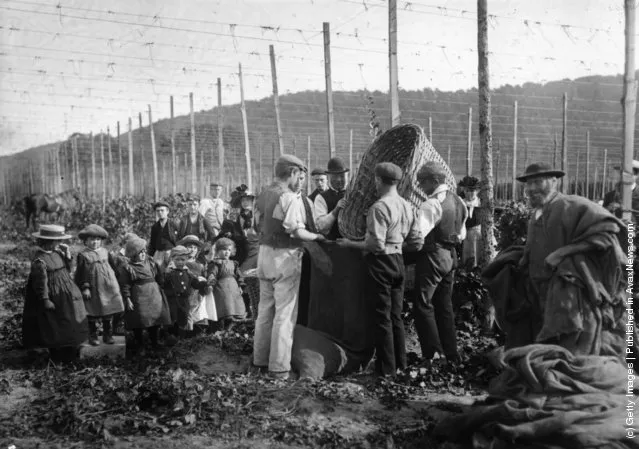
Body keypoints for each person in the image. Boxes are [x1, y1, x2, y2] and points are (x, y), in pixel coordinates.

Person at [505, 162, 627, 357]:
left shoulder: (570, 205)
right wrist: (523, 259)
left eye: (538, 182)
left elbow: (606, 232)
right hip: (539, 288)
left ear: (554, 182)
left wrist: (562, 253)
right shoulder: (536, 212)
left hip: (566, 292)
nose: (532, 188)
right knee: (543, 337)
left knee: (571, 341)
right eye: (529, 184)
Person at [337, 163, 422, 377]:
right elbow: (416, 242)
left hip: (380, 264)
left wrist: (348, 244)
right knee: (396, 316)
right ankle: (400, 364)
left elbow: (376, 245)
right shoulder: (407, 206)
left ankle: (386, 369)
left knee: (381, 317)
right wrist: (397, 246)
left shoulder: (379, 207)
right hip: (399, 262)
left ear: (378, 180)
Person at [253, 154, 326, 379]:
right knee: (285, 314)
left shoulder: (263, 194)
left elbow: (256, 226)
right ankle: (279, 368)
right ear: (292, 172)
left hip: (263, 255)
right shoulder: (289, 198)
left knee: (264, 311)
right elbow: (296, 230)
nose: (299, 180)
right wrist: (317, 237)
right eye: (298, 175)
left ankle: (259, 361)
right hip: (284, 256)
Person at [413, 162, 467, 364]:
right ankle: (452, 353)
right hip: (451, 256)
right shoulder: (459, 201)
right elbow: (461, 234)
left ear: (435, 181)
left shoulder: (431, 204)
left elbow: (418, 235)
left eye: (422, 182)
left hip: (433, 257)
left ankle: (434, 355)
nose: (420, 187)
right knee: (444, 306)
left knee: (422, 304)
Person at [22, 224, 88, 360]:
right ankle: (56, 352)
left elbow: (69, 269)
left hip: (65, 293)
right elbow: (40, 282)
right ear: (48, 242)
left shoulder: (58, 253)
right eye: (57, 241)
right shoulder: (39, 260)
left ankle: (69, 346)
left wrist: (68, 254)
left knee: (68, 318)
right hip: (52, 294)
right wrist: (45, 299)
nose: (60, 243)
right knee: (52, 323)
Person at [118, 236, 172, 354]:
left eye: (144, 251)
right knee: (139, 320)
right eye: (139, 252)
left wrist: (161, 287)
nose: (143, 254)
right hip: (138, 296)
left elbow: (159, 276)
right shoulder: (127, 267)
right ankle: (140, 344)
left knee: (155, 318)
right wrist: (127, 299)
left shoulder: (151, 262)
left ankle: (155, 342)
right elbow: (125, 285)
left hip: (154, 294)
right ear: (133, 254)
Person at [75, 224, 125, 346]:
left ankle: (108, 334)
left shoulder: (105, 252)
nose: (95, 242)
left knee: (108, 310)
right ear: (85, 241)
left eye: (97, 239)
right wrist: (85, 287)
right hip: (93, 287)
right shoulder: (83, 255)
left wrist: (119, 279)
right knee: (92, 310)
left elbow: (113, 266)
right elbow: (82, 273)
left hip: (108, 285)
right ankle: (93, 335)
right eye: (91, 239)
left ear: (101, 241)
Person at [164, 245, 207, 337]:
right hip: (172, 301)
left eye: (182, 260)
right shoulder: (169, 273)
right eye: (177, 259)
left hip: (184, 301)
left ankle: (182, 340)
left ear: (186, 260)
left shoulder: (188, 273)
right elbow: (163, 284)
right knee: (172, 319)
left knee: (183, 319)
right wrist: (166, 274)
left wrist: (205, 283)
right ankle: (170, 338)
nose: (180, 262)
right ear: (172, 259)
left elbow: (196, 284)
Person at [206, 238, 246, 329]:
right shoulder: (216, 264)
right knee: (225, 306)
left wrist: (240, 285)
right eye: (224, 249)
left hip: (233, 288)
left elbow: (239, 275)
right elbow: (212, 274)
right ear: (218, 251)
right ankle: (223, 327)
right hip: (221, 288)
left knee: (236, 306)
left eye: (229, 250)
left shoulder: (234, 263)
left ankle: (233, 326)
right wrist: (210, 284)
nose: (227, 252)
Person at [314, 157, 349, 240]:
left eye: (342, 176)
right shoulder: (321, 198)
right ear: (328, 177)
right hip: (331, 246)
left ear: (347, 176)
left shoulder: (353, 194)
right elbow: (321, 227)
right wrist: (335, 212)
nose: (338, 180)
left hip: (354, 245)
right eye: (335, 176)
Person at [458, 176, 483, 269]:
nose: (470, 193)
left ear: (477, 191)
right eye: (467, 191)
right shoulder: (461, 203)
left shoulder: (481, 203)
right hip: (465, 234)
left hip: (478, 234)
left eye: (472, 191)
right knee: (466, 258)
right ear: (464, 191)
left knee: (477, 255)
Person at [148, 200, 179, 274]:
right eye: (158, 211)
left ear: (167, 211)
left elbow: (179, 240)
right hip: (159, 253)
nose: (160, 213)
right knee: (158, 273)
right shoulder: (155, 227)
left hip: (171, 252)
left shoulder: (174, 224)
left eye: (162, 210)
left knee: (173, 272)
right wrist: (150, 256)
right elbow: (152, 243)